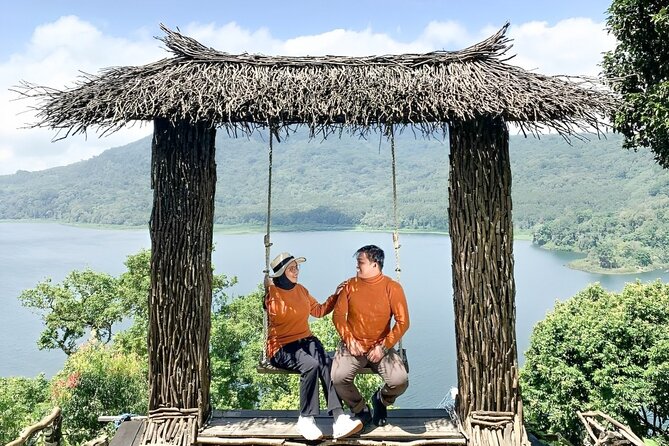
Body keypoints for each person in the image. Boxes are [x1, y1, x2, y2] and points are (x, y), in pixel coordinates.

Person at [265, 252, 363, 440]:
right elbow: (275, 313)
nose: (296, 271)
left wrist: (335, 296)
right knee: (311, 365)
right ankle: (306, 420)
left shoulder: (301, 290)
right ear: (281, 273)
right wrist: (268, 286)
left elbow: (318, 311)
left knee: (326, 362)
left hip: (306, 341)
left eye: (297, 267)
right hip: (282, 347)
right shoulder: (272, 294)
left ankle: (339, 417)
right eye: (292, 268)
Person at [331, 245, 410, 427]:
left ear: (375, 264)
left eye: (360, 262)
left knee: (400, 381)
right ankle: (360, 409)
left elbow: (403, 322)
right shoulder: (349, 285)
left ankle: (381, 400)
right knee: (338, 377)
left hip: (380, 346)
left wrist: (383, 347)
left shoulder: (392, 287)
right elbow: (338, 316)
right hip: (352, 347)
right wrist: (350, 341)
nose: (356, 266)